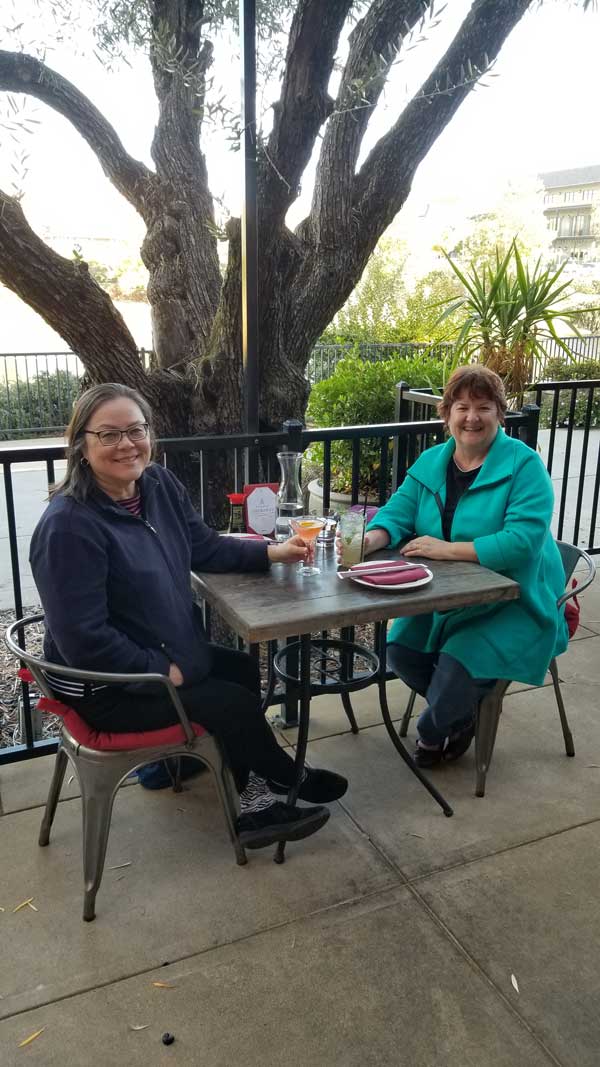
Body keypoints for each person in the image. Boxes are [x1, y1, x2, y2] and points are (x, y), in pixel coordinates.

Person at [29, 383, 347, 850]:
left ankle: (242, 776)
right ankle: (265, 797)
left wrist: (272, 553)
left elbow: (203, 545)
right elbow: (82, 638)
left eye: (135, 430)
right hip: (104, 685)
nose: (126, 445)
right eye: (109, 434)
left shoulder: (156, 485)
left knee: (240, 669)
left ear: (150, 435)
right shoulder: (69, 526)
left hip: (159, 650)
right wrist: (159, 670)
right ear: (81, 444)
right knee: (230, 702)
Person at [357, 364, 568, 768]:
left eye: (483, 407)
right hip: (444, 597)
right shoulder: (431, 463)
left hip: (514, 600)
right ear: (447, 414)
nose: (472, 417)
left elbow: (521, 544)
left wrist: (446, 549)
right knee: (399, 650)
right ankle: (463, 709)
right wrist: (368, 540)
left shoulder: (524, 467)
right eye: (462, 406)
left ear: (499, 415)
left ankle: (435, 731)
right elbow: (396, 513)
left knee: (455, 668)